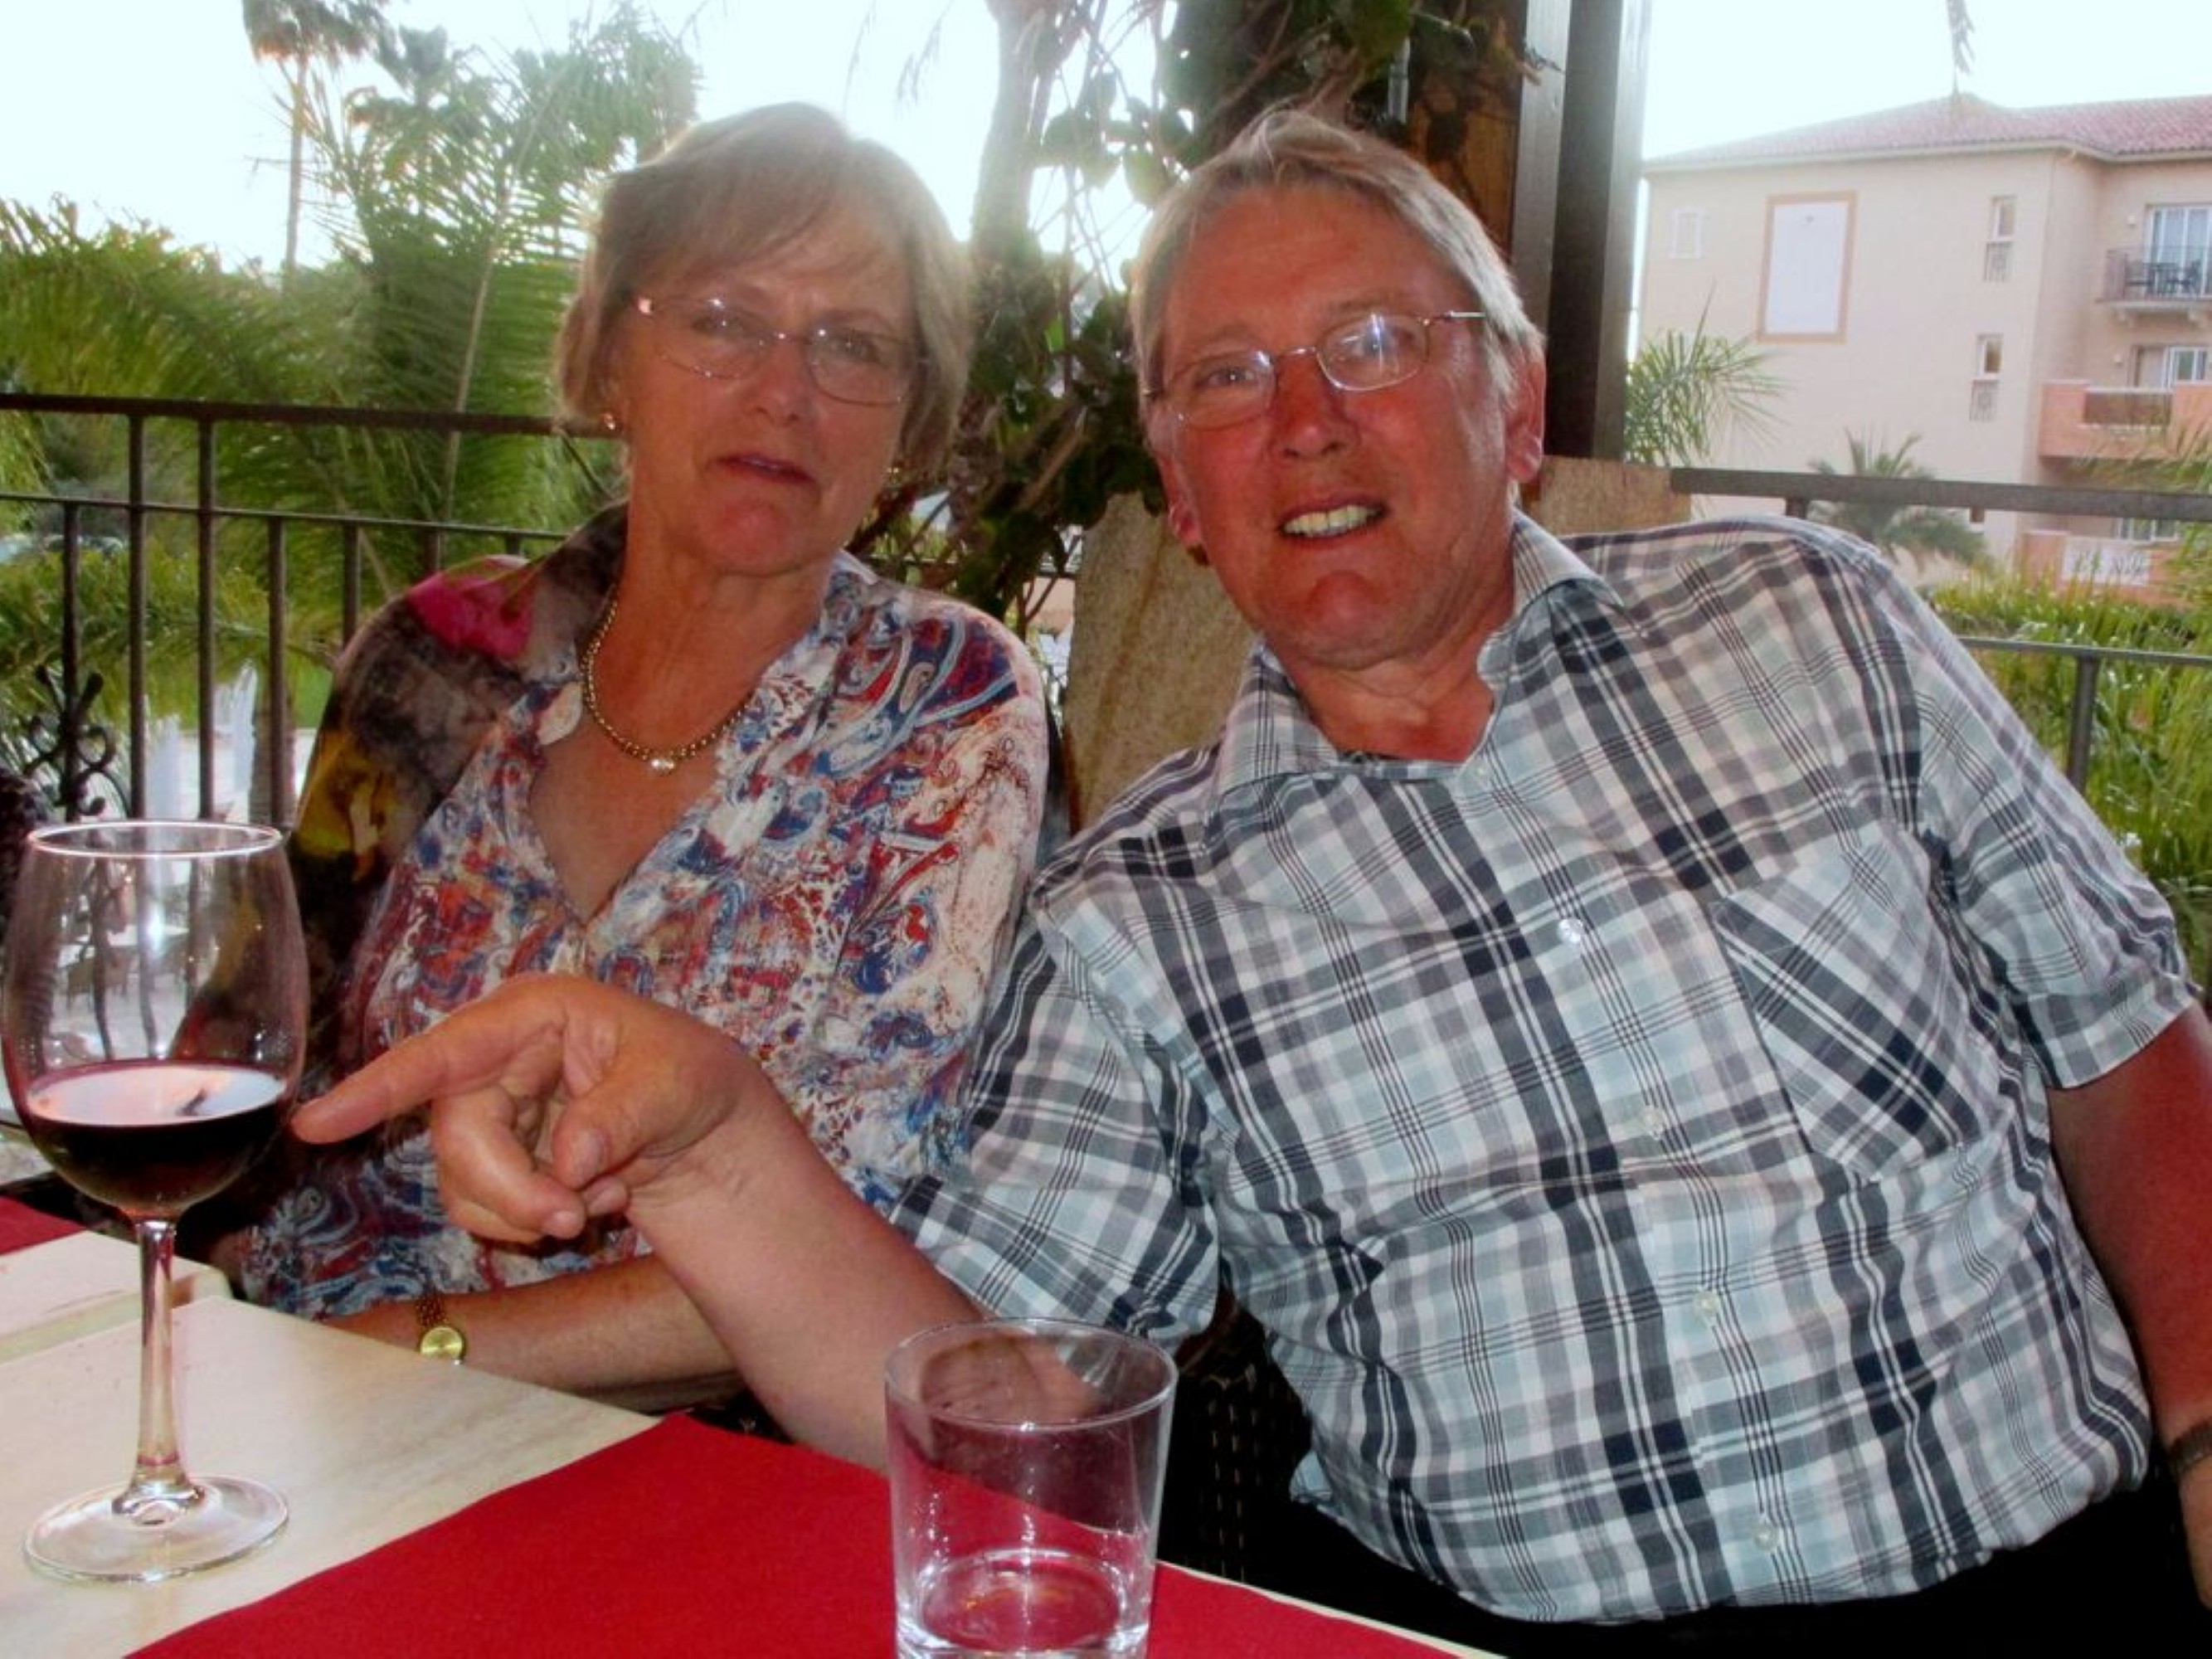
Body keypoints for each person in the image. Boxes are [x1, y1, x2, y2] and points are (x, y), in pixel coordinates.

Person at [293, 109, 2212, 1647]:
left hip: (2058, 1578)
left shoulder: (1809, 618)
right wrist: (715, 1144)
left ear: (1516, 402)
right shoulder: (1142, 912)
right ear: (1184, 504)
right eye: (1224, 377)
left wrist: (2205, 1429)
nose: (1303, 421)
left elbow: (2123, 1035)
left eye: (1370, 343)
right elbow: (991, 1392)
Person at [226, 104, 1049, 1409]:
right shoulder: (436, 660)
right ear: (611, 354)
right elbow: (253, 1058)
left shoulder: (942, 705)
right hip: (275, 1373)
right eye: (724, 320)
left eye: (852, 345)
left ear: (909, 422)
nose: (784, 391)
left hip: (667, 1443)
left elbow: (879, 1226)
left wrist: (411, 1353)